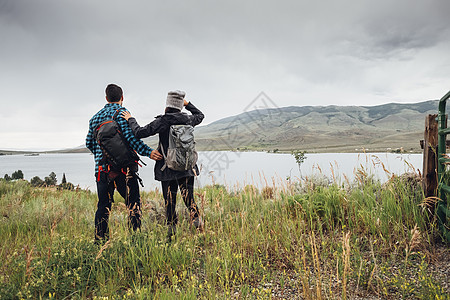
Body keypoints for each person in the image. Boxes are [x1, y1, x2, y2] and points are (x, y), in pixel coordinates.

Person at [121, 90, 204, 241]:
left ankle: (171, 235)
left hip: (168, 169)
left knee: (170, 202)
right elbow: (200, 115)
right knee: (189, 199)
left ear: (167, 104)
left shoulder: (163, 121)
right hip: (186, 167)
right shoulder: (188, 119)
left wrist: (130, 119)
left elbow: (139, 132)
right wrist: (187, 104)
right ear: (179, 105)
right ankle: (199, 230)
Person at [86, 83, 163, 242]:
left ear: (106, 98)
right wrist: (149, 152)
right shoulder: (122, 113)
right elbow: (132, 140)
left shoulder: (94, 118)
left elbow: (89, 142)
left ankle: (100, 241)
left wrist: (102, 155)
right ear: (122, 98)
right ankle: (135, 239)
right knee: (133, 203)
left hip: (102, 170)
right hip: (124, 170)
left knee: (103, 206)